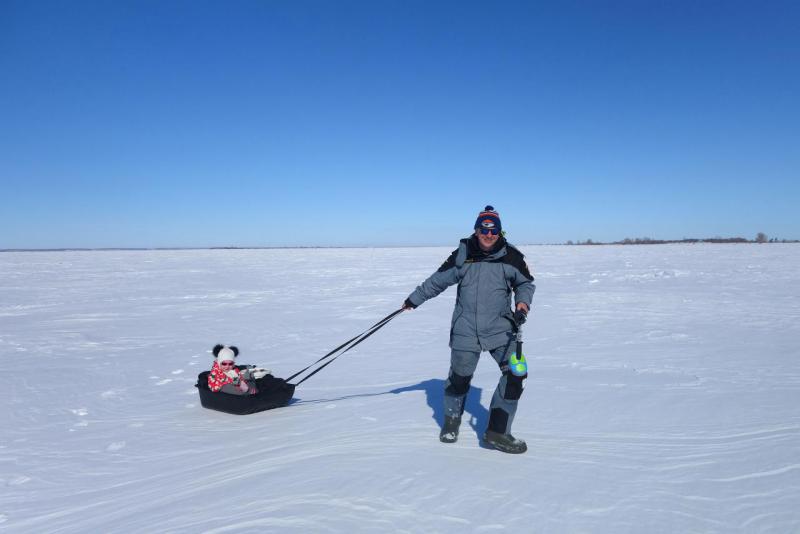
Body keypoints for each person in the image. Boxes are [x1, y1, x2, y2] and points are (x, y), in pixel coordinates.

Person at [402, 206, 535, 454]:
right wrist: (413, 300)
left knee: (517, 374)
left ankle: (497, 432)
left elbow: (525, 283)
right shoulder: (463, 255)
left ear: (499, 231)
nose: (488, 234)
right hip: (465, 331)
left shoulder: (512, 257)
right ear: (476, 230)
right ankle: (452, 421)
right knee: (459, 380)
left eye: (493, 230)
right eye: (484, 229)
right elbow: (437, 280)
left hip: (501, 330)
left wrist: (522, 303)